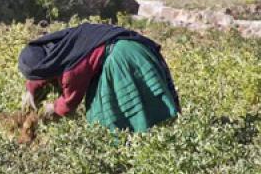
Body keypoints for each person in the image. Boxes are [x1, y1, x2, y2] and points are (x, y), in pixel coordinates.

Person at [18, 23, 180, 135]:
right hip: (135, 50)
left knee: (106, 114)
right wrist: (31, 90)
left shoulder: (72, 68)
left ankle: (141, 145)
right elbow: (42, 69)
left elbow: (70, 102)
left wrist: (50, 108)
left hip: (123, 59)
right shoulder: (66, 46)